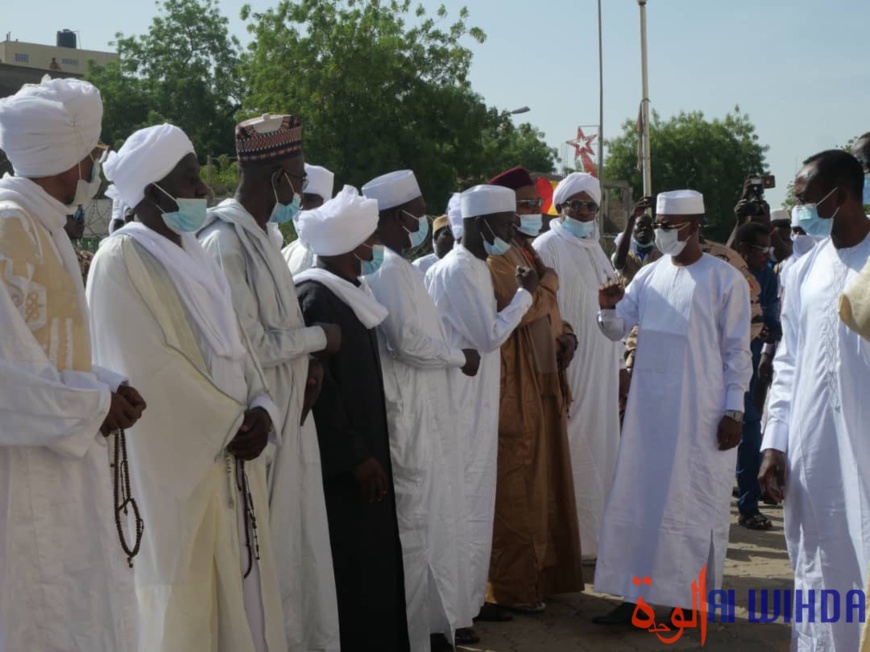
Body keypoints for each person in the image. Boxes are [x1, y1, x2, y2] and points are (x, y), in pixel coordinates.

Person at [88, 123, 287, 652]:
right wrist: (230, 421)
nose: (204, 189)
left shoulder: (196, 254)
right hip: (178, 469)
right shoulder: (119, 260)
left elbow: (237, 346)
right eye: (190, 178)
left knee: (241, 604)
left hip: (232, 454)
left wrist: (262, 406)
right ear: (153, 190)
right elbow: (147, 368)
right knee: (183, 604)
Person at [0, 75, 145, 652]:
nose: (94, 168)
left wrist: (107, 384)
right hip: (20, 475)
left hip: (64, 457)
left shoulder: (44, 224)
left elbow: (51, 351)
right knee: (34, 611)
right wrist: (92, 404)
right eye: (93, 153)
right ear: (67, 157)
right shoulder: (9, 227)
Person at [198, 115, 342, 652]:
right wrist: (320, 339)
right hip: (254, 432)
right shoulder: (224, 242)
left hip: (289, 418)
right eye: (298, 178)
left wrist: (310, 363)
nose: (300, 190)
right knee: (261, 563)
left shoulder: (265, 236)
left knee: (294, 555)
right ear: (276, 174)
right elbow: (251, 343)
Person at [593, 189, 752, 625]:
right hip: (648, 414)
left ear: (693, 227)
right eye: (658, 225)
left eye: (667, 226)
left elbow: (737, 351)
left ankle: (688, 603)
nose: (660, 232)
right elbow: (617, 328)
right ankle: (634, 598)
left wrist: (734, 410)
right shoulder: (649, 275)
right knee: (639, 500)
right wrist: (606, 309)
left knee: (692, 503)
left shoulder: (725, 279)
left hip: (702, 413)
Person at [362, 169, 480, 650]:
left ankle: (437, 624)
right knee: (419, 523)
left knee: (435, 519)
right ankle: (421, 632)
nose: (423, 222)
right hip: (410, 413)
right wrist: (458, 357)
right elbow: (408, 342)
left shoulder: (397, 265)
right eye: (417, 214)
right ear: (395, 218)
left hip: (426, 409)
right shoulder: (387, 267)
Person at [759, 150, 870, 652]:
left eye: (805, 199)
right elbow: (788, 361)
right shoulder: (804, 269)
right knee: (818, 567)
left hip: (863, 449)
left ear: (840, 197)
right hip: (811, 453)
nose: (799, 209)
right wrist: (775, 442)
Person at [294, 186, 410, 652]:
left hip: (368, 449)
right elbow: (321, 392)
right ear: (351, 246)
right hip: (342, 468)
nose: (375, 248)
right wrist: (355, 456)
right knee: (351, 566)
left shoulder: (352, 293)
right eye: (370, 240)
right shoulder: (315, 296)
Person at [425, 184, 537, 628]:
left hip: (477, 402)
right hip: (460, 403)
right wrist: (525, 296)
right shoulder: (457, 269)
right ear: (480, 224)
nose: (510, 234)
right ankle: (453, 614)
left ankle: (469, 601)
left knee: (475, 500)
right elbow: (488, 337)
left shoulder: (473, 266)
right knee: (461, 500)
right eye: (506, 225)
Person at [484, 166, 583, 613]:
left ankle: (543, 579)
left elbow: (548, 309)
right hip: (516, 385)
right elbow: (519, 309)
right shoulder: (498, 258)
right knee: (519, 487)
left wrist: (568, 335)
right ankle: (512, 587)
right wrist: (549, 283)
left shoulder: (524, 252)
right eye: (524, 206)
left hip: (545, 382)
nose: (533, 213)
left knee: (547, 485)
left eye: (534, 205)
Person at [532, 172, 622, 563]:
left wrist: (619, 366)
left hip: (602, 369)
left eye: (590, 206)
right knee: (570, 446)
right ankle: (568, 543)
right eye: (576, 205)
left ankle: (597, 540)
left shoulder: (596, 249)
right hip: (568, 366)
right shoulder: (546, 246)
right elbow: (541, 310)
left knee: (601, 448)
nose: (584, 212)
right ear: (561, 207)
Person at [731, 222, 779, 530]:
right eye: (763, 250)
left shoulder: (768, 277)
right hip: (720, 369)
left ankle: (748, 507)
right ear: (744, 250)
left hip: (749, 367)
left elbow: (772, 321)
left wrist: (767, 330)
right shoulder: (725, 274)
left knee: (749, 434)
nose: (767, 256)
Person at [282, 163, 334, 275]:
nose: (303, 207)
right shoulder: (285, 255)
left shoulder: (342, 252)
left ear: (327, 202)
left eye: (311, 199)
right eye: (298, 201)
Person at [611, 197, 659, 284]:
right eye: (640, 225)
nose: (645, 228)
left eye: (649, 226)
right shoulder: (627, 257)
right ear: (632, 230)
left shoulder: (660, 257)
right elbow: (618, 263)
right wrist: (632, 219)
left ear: (654, 232)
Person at [411, 213, 453, 278]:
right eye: (448, 234)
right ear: (436, 237)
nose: (453, 238)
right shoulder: (419, 266)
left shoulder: (464, 262)